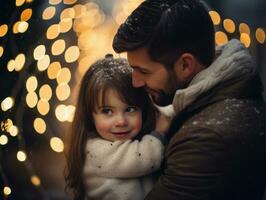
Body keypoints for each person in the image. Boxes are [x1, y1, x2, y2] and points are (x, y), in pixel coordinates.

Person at [112, 0, 266, 199]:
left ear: (185, 65)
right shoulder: (218, 96)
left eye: (143, 71)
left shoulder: (207, 140)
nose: (136, 82)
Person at [65, 55, 172, 200]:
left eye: (130, 109)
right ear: (90, 115)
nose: (121, 121)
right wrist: (159, 133)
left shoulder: (129, 141)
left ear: (143, 109)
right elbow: (145, 158)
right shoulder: (94, 151)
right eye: (107, 111)